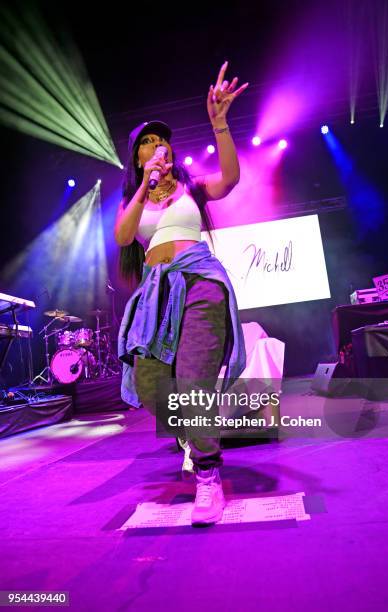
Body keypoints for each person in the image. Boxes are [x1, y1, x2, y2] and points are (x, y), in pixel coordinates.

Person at [115, 62, 248, 526]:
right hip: (157, 295)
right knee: (152, 388)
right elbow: (123, 235)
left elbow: (230, 179)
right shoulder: (134, 200)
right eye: (146, 143)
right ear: (137, 158)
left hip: (201, 283)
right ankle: (195, 435)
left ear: (171, 150)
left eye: (160, 141)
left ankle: (208, 480)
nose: (156, 146)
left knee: (193, 381)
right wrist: (144, 187)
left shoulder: (192, 187)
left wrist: (220, 124)